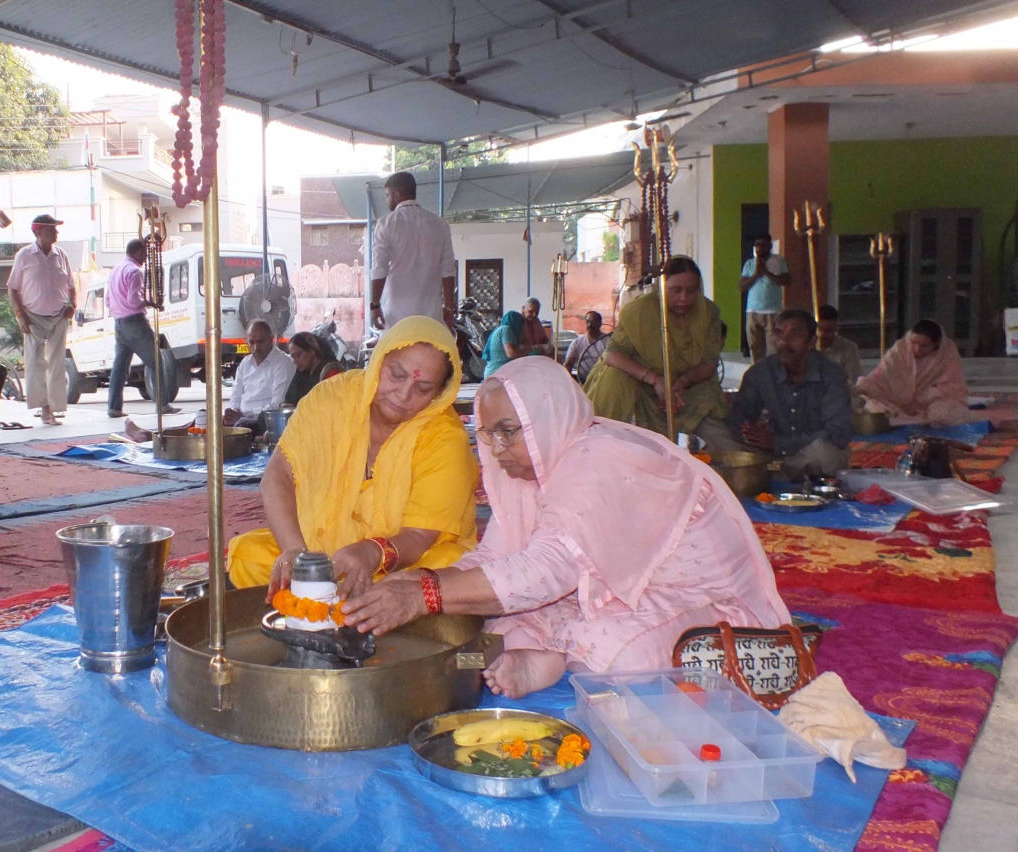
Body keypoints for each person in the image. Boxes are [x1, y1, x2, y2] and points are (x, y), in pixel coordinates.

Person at [340, 358, 789, 697]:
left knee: (616, 654)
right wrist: (414, 582)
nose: (496, 449)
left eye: (508, 431)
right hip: (606, 589)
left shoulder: (598, 458)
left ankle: (553, 658)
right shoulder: (532, 464)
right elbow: (496, 558)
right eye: (488, 434)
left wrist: (425, 594)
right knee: (497, 621)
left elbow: (548, 571)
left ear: (546, 417)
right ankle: (545, 653)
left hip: (699, 598)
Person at [227, 316, 478, 594]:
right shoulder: (333, 397)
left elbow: (419, 536)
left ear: (440, 394)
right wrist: (298, 555)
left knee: (448, 570)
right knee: (247, 555)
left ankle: (346, 602)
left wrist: (373, 552)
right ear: (378, 360)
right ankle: (338, 598)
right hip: (319, 551)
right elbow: (278, 476)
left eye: (423, 388)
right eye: (396, 375)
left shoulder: (445, 436)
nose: (404, 395)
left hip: (396, 563)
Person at [582, 257, 726, 438]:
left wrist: (680, 383)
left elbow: (708, 363)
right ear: (661, 288)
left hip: (686, 384)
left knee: (712, 407)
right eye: (676, 291)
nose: (684, 298)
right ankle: (601, 443)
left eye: (691, 291)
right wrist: (656, 380)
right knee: (615, 378)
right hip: (639, 379)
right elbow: (612, 355)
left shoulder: (708, 313)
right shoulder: (640, 311)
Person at [701, 309, 852, 478]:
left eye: (795, 335)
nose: (784, 342)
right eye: (778, 333)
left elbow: (838, 433)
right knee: (709, 426)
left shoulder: (832, 375)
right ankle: (774, 471)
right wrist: (749, 431)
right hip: (767, 452)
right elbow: (739, 415)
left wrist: (777, 443)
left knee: (827, 454)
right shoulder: (761, 372)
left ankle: (768, 472)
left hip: (808, 453)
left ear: (811, 342)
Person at [9, 214, 77, 426]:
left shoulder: (61, 255)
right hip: (32, 316)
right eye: (51, 230)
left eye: (56, 229)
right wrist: (20, 316)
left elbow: (72, 286)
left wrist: (72, 306)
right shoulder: (24, 255)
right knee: (36, 363)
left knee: (57, 364)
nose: (56, 233)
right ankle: (44, 409)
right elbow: (12, 288)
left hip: (58, 316)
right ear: (38, 233)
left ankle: (55, 409)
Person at [369, 171, 456, 329]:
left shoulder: (385, 224)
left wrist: (375, 306)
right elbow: (448, 269)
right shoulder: (440, 224)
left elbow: (379, 268)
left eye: (387, 195)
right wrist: (449, 307)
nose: (386, 200)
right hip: (431, 316)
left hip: (395, 316)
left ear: (397, 195)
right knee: (430, 353)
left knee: (397, 353)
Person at [104, 239, 178, 420]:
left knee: (120, 367)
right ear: (138, 252)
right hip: (134, 321)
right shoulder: (135, 271)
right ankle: (162, 404)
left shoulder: (115, 270)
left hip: (119, 323)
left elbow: (107, 300)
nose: (145, 257)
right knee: (157, 360)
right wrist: (151, 302)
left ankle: (114, 408)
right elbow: (134, 301)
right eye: (144, 253)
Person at [858, 319, 971, 427]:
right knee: (871, 397)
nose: (916, 349)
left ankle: (909, 420)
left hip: (928, 403)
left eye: (924, 346)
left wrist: (921, 399)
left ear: (936, 344)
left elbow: (953, 387)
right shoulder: (900, 348)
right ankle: (903, 417)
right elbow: (880, 374)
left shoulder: (947, 353)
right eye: (913, 343)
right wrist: (862, 387)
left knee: (946, 412)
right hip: (897, 400)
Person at [224, 320, 297, 433]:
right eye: (251, 342)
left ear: (271, 339)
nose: (256, 347)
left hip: (265, 423)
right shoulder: (245, 363)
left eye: (260, 342)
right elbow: (236, 396)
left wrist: (244, 416)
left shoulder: (284, 363)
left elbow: (277, 404)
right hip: (241, 421)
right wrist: (233, 411)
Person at [739, 234, 791, 364]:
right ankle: (757, 376)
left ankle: (773, 375)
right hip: (753, 311)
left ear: (770, 246)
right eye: (757, 245)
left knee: (774, 346)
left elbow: (787, 281)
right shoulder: (750, 263)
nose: (759, 248)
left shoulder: (779, 261)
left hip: (773, 311)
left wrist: (766, 272)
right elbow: (742, 286)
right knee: (755, 346)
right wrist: (756, 273)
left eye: (762, 245)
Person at [482, 298, 552, 377]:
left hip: (506, 372)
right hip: (497, 373)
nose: (534, 315)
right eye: (531, 311)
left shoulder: (532, 324)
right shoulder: (506, 330)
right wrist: (532, 348)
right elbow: (512, 354)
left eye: (537, 312)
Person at [283, 331, 343, 407]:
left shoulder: (331, 372)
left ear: (312, 351)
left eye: (297, 355)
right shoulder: (302, 373)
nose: (295, 361)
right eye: (292, 357)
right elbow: (291, 399)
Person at [815, 304, 863, 385]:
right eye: (819, 330)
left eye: (827, 331)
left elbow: (854, 379)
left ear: (836, 328)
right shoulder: (804, 347)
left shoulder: (848, 347)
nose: (821, 335)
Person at [562, 310, 611, 384]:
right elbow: (568, 365)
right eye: (588, 321)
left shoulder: (608, 341)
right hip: (582, 381)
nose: (590, 324)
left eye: (593, 322)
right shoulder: (577, 343)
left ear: (600, 323)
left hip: (602, 382)